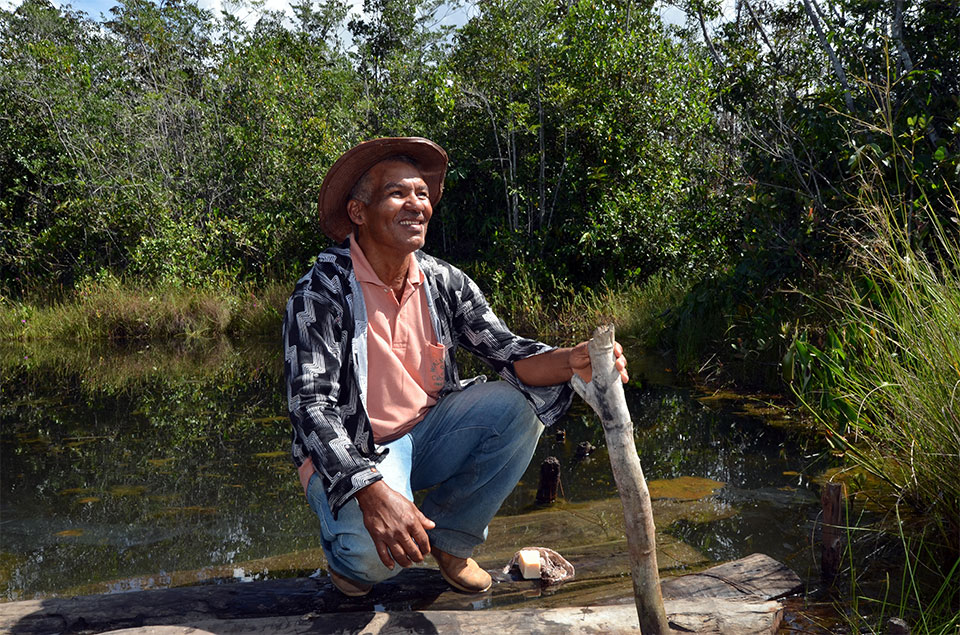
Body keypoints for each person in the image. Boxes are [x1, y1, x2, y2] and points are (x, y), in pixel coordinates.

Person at [283, 137, 628, 597]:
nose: (416, 205)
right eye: (397, 193)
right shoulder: (320, 291)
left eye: (422, 194)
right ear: (359, 212)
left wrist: (572, 360)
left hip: (428, 432)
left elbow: (509, 352)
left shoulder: (444, 281)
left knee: (519, 407)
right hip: (355, 451)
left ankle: (451, 542)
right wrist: (371, 490)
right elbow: (311, 406)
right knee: (373, 558)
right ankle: (347, 561)